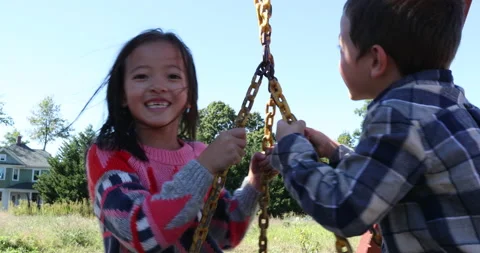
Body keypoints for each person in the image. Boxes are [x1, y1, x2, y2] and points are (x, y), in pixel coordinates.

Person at [270, 0, 480, 252]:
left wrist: (290, 147)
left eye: (340, 47)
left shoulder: (399, 114)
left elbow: (344, 208)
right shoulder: (455, 106)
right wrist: (334, 151)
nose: (338, 57)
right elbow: (397, 170)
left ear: (376, 61)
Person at [84, 28, 276, 253]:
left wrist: (255, 182)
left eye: (173, 76)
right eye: (141, 76)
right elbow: (141, 232)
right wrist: (204, 167)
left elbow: (226, 232)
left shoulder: (198, 155)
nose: (158, 86)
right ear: (122, 95)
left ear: (189, 97)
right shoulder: (108, 156)